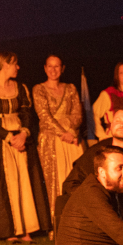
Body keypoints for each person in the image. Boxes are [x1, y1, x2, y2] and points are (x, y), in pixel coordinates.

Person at [0, 52, 51, 242]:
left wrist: (23, 133)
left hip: (21, 136)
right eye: (14, 64)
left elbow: (26, 113)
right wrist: (8, 137)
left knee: (24, 179)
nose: (18, 68)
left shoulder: (21, 88)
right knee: (5, 182)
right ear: (4, 65)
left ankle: (27, 228)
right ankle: (9, 229)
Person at [32, 55, 83, 219]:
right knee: (54, 181)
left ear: (62, 68)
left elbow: (78, 114)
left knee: (75, 178)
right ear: (45, 68)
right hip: (51, 139)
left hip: (71, 139)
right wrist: (63, 133)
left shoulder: (71, 88)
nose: (53, 70)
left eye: (57, 66)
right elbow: (44, 116)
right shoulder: (39, 89)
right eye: (50, 66)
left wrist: (71, 131)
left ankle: (79, 219)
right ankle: (55, 221)